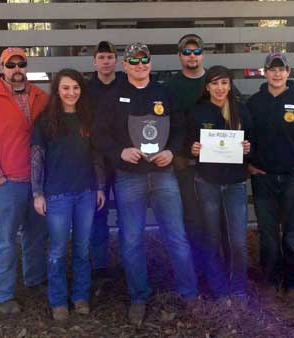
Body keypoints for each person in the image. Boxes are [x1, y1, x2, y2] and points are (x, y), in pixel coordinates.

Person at [93, 42, 198, 325]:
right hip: (129, 178)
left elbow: (180, 128)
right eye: (134, 61)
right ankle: (139, 296)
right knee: (131, 238)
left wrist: (171, 151)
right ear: (124, 65)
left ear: (150, 63)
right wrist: (119, 152)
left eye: (144, 60)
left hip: (163, 174)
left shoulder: (164, 93)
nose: (140, 65)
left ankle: (189, 294)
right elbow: (99, 135)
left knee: (176, 235)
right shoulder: (113, 96)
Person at [0, 47, 48, 314]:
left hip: (37, 184)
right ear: (2, 68)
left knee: (36, 235)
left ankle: (35, 279)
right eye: (10, 65)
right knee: (5, 239)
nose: (16, 70)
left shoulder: (41, 97)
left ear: (26, 66)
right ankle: (3, 294)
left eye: (21, 64)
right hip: (7, 183)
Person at [246, 52, 294, 304]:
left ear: (288, 72)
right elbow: (242, 136)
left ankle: (293, 283)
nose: (277, 74)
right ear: (265, 72)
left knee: (292, 233)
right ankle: (270, 280)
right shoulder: (254, 103)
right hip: (264, 178)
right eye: (272, 69)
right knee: (268, 233)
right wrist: (248, 165)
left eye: (281, 69)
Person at [31, 68, 105, 320]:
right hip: (57, 195)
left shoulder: (88, 118)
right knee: (57, 251)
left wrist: (100, 187)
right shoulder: (46, 120)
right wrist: (37, 192)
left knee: (83, 249)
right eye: (65, 88)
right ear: (57, 91)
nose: (71, 92)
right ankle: (58, 301)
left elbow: (97, 156)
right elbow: (37, 158)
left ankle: (81, 297)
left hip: (86, 192)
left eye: (75, 87)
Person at [187, 66, 251, 299]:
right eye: (215, 83)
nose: (220, 88)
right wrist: (192, 149)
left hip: (236, 183)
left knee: (238, 240)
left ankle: (239, 287)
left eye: (224, 83)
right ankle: (218, 288)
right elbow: (186, 143)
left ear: (230, 85)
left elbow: (253, 145)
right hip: (207, 182)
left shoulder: (241, 111)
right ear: (207, 87)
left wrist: (248, 148)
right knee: (211, 237)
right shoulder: (197, 112)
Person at [166, 34, 206, 276]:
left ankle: (216, 267)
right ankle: (195, 269)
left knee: (216, 219)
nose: (192, 56)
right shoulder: (171, 87)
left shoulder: (216, 80)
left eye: (196, 51)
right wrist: (175, 154)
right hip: (183, 163)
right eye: (187, 52)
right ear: (180, 56)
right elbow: (165, 122)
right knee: (190, 217)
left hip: (215, 163)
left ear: (203, 54)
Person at [88, 41, 124, 281]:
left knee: (127, 214)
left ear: (116, 60)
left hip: (123, 160)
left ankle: (126, 263)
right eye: (102, 57)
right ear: (95, 62)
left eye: (110, 57)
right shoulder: (86, 88)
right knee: (97, 215)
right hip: (95, 161)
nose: (106, 61)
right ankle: (99, 266)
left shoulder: (125, 83)